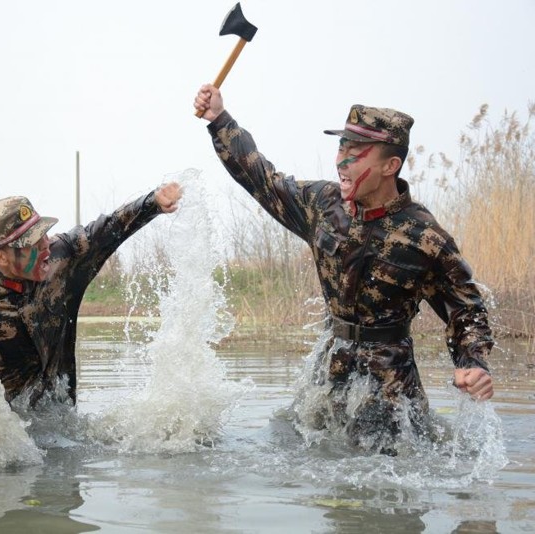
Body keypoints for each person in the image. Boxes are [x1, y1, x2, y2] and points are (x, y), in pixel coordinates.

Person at [193, 85, 494, 451]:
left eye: (355, 152)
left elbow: (466, 309)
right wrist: (219, 121)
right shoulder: (323, 205)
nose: (341, 161)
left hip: (388, 386)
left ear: (390, 165)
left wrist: (472, 363)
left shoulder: (424, 237)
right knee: (315, 466)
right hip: (328, 369)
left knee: (380, 484)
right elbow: (263, 179)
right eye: (341, 147)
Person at [0, 182, 182, 407]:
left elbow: (107, 229)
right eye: (31, 243)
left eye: (43, 235)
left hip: (64, 425)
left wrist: (152, 202)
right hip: (12, 448)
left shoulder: (62, 259)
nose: (45, 247)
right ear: (0, 257)